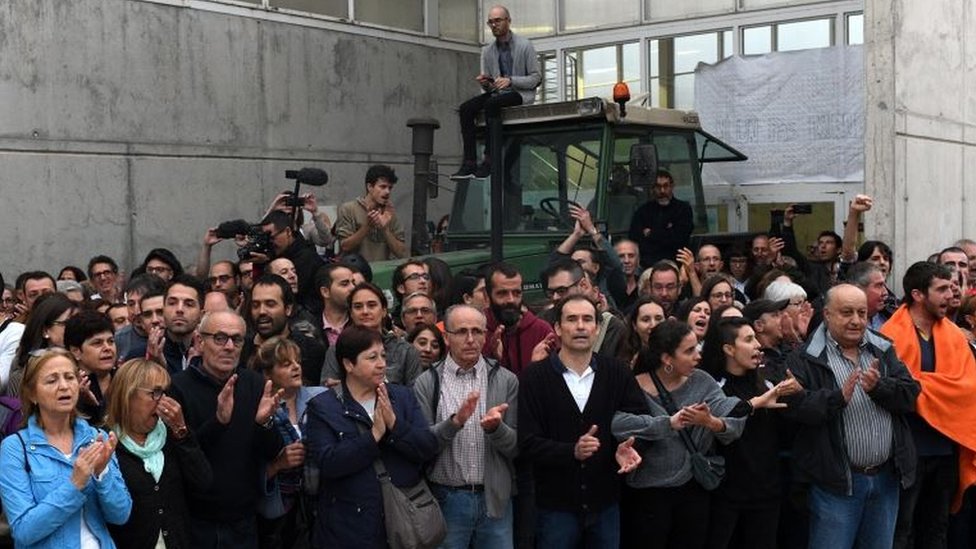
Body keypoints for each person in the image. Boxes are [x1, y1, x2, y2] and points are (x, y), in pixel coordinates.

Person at [783, 284, 920, 549]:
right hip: (836, 484)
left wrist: (879, 388)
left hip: (885, 479)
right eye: (847, 312)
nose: (857, 321)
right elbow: (795, 409)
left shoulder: (882, 348)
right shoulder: (804, 357)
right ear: (827, 314)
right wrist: (836, 399)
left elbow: (911, 395)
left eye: (862, 313)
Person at [519, 295, 645, 548]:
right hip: (555, 509)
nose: (580, 326)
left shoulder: (617, 372)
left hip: (606, 504)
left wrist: (629, 447)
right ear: (557, 328)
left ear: (597, 328)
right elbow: (527, 442)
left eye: (587, 319)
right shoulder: (534, 377)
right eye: (572, 319)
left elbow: (640, 422)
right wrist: (571, 451)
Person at [611, 319, 749, 549]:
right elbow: (617, 423)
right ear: (667, 359)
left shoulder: (702, 381)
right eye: (689, 351)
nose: (698, 356)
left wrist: (711, 422)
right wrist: (668, 424)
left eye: (697, 347)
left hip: (692, 491)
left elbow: (733, 422)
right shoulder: (633, 386)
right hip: (647, 495)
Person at [305, 325, 438, 547]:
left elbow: (427, 448)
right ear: (349, 364)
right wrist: (374, 435)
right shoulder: (323, 407)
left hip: (403, 522)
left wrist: (395, 426)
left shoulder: (402, 397)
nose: (382, 364)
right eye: (372, 357)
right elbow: (328, 463)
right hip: (349, 528)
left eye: (383, 356)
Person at [880, 262, 976, 549]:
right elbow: (895, 390)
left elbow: (968, 388)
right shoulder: (889, 335)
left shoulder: (955, 336)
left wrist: (919, 384)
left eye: (951, 287)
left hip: (945, 448)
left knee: (937, 530)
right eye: (942, 289)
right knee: (903, 531)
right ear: (918, 294)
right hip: (905, 452)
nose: (951, 294)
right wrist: (932, 387)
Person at [169, 310, 284, 548]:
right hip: (197, 522)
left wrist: (265, 423)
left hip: (244, 520)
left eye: (237, 339)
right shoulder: (179, 387)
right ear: (200, 342)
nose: (229, 346)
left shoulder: (254, 383)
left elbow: (273, 451)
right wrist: (218, 423)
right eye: (220, 338)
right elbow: (184, 459)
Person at [0, 349, 132, 548]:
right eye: (51, 380)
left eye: (70, 377)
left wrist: (102, 473)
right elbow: (23, 532)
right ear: (32, 393)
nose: (64, 386)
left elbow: (121, 515)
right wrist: (75, 484)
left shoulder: (97, 438)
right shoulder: (15, 448)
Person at [413, 304, 520, 548]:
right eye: (461, 332)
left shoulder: (506, 380)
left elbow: (517, 447)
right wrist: (455, 422)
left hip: (495, 499)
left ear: (486, 335)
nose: (470, 339)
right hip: (446, 499)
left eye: (477, 331)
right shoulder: (427, 382)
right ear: (446, 337)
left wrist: (496, 429)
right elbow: (421, 446)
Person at [703, 317, 802, 549]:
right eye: (749, 340)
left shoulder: (766, 382)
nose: (758, 345)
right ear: (728, 349)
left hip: (766, 492)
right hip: (724, 495)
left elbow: (787, 429)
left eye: (756, 339)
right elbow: (723, 417)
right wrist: (755, 404)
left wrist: (797, 394)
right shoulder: (713, 385)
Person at [106, 358, 212, 549]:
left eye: (165, 393)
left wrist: (181, 431)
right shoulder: (106, 442)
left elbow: (203, 482)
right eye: (155, 393)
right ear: (128, 395)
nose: (163, 401)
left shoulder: (173, 434)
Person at [249, 337, 325, 549]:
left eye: (298, 362)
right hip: (275, 515)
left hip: (318, 506)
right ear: (267, 373)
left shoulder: (320, 399)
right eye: (286, 364)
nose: (296, 367)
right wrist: (277, 465)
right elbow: (244, 466)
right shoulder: (257, 411)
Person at [453, 5, 540, 179]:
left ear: (508, 21)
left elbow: (536, 78)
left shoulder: (525, 45)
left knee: (492, 104)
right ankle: (469, 162)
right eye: (491, 22)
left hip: (520, 94)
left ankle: (490, 160)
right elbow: (491, 87)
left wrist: (511, 80)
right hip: (498, 94)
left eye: (498, 21)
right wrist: (486, 83)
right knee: (466, 108)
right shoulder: (487, 51)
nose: (494, 25)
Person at [320, 282, 423, 387]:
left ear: (384, 311)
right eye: (358, 307)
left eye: (371, 305)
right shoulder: (336, 350)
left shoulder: (406, 351)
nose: (365, 311)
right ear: (351, 313)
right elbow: (327, 389)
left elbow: (414, 396)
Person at [241, 274, 326, 386]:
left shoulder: (311, 350)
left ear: (288, 309)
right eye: (255, 305)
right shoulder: (241, 349)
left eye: (270, 304)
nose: (261, 311)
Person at [482, 263, 554, 377]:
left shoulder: (541, 331)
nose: (511, 300)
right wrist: (492, 358)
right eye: (502, 293)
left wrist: (536, 366)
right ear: (487, 296)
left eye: (517, 293)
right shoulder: (476, 331)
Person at [7, 293, 79, 397]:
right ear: (45, 330)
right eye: (66, 324)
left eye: (78, 322)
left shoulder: (87, 361)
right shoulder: (23, 371)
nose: (75, 328)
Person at [334, 164, 407, 262]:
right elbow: (345, 246)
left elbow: (402, 253)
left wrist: (385, 229)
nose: (387, 192)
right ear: (370, 187)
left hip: (381, 270)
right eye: (383, 187)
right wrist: (367, 226)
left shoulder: (389, 213)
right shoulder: (349, 209)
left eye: (390, 188)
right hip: (356, 272)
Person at [260, 210, 326, 315]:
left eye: (272, 237)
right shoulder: (274, 254)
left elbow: (289, 294)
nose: (270, 243)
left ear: (288, 231)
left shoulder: (306, 259)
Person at [628, 170, 694, 268]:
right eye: (658, 187)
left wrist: (651, 233)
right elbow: (635, 240)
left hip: (676, 264)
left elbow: (680, 240)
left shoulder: (683, 209)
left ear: (672, 187)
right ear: (653, 188)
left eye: (666, 186)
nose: (662, 191)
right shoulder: (643, 211)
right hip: (648, 265)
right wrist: (667, 232)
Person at [64, 310, 117, 425]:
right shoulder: (66, 387)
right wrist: (85, 404)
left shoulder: (125, 377)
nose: (107, 348)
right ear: (76, 351)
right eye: (97, 343)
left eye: (111, 341)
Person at [616, 296, 666, 368]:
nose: (653, 325)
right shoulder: (623, 363)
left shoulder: (678, 356)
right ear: (634, 325)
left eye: (658, 318)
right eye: (646, 320)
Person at [314, 263, 356, 347]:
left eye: (353, 283)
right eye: (344, 284)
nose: (353, 288)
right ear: (325, 292)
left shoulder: (360, 322)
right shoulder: (311, 325)